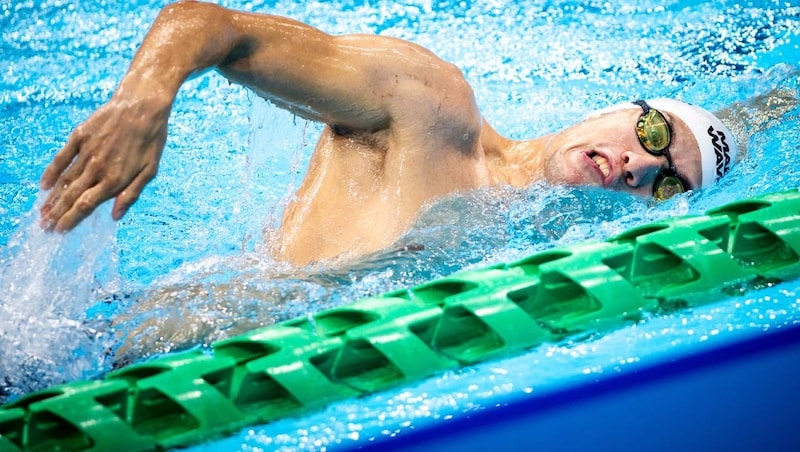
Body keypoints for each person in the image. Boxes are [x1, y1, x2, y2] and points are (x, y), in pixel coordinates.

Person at [38, 0, 738, 265]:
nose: (631, 166)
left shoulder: (538, 244)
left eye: (665, 181)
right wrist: (143, 102)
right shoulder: (429, 106)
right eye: (649, 130)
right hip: (126, 356)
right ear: (620, 105)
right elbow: (211, 26)